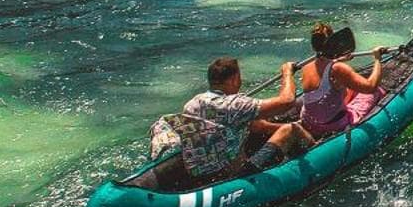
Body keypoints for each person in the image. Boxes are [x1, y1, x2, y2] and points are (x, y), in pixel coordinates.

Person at [151, 56, 312, 182]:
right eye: (239, 77)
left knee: (278, 127)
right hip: (236, 174)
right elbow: (286, 101)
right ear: (233, 79)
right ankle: (316, 148)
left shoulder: (192, 104)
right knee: (290, 129)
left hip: (203, 172)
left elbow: (255, 126)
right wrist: (287, 73)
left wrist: (276, 127)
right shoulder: (235, 104)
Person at [298, 23, 386, 138]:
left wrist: (340, 59)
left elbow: (324, 68)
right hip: (332, 126)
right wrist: (377, 59)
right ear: (332, 42)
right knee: (376, 91)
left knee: (344, 88)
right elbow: (370, 87)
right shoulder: (338, 68)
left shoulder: (306, 67)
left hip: (308, 121)